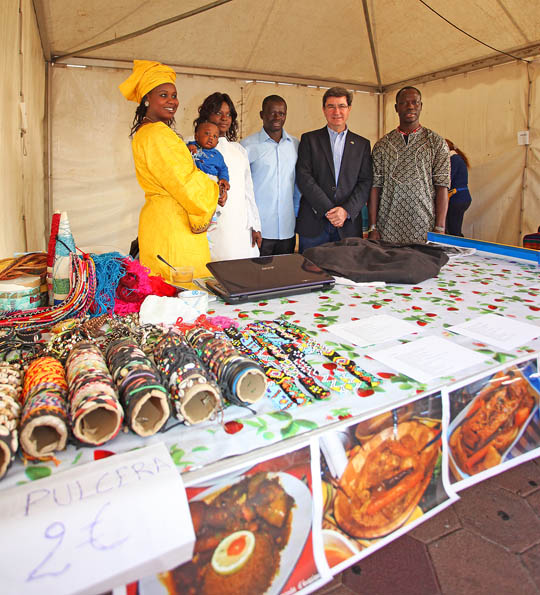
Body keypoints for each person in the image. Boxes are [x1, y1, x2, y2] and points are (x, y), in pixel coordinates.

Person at [119, 60, 219, 280]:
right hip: (173, 227)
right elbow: (183, 181)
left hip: (163, 222)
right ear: (147, 98)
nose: (172, 101)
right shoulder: (156, 134)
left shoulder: (147, 132)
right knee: (182, 296)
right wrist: (213, 191)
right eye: (163, 95)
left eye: (174, 95)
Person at [368, 87, 450, 244]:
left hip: (424, 228)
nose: (410, 106)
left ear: (421, 106)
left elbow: (442, 186)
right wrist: (373, 227)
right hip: (387, 228)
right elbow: (375, 187)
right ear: (396, 108)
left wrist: (439, 228)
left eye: (415, 102)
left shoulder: (436, 143)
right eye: (404, 103)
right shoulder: (382, 145)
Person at [295, 86, 372, 253]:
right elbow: (304, 177)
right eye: (331, 106)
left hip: (348, 226)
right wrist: (329, 210)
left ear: (349, 109)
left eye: (342, 106)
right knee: (309, 275)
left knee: (346, 275)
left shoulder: (362, 144)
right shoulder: (309, 139)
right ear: (324, 110)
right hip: (314, 223)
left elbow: (365, 182)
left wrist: (346, 211)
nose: (337, 111)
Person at [194, 92, 262, 261]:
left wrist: (255, 226)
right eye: (218, 113)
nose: (224, 118)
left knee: (241, 270)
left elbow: (248, 191)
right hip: (210, 222)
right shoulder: (193, 148)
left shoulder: (238, 150)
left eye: (228, 114)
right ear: (206, 115)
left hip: (239, 225)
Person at [241, 95, 300, 256]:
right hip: (259, 231)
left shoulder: (295, 145)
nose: (277, 117)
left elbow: (298, 187)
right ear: (262, 115)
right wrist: (250, 224)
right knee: (258, 278)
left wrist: (296, 215)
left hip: (288, 229)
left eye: (281, 113)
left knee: (285, 277)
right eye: (272, 113)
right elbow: (242, 191)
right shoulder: (247, 146)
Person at [187, 121, 230, 230]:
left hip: (211, 179)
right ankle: (199, 221)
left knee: (215, 199)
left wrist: (224, 179)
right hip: (196, 179)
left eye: (215, 136)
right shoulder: (192, 146)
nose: (211, 138)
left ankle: (211, 220)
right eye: (207, 134)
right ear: (196, 136)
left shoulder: (217, 155)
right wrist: (189, 147)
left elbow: (223, 169)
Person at [445, 139, 472, 237]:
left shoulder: (454, 160)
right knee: (453, 227)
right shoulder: (457, 158)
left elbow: (447, 179)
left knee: (454, 229)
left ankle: (458, 248)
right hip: (461, 198)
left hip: (457, 199)